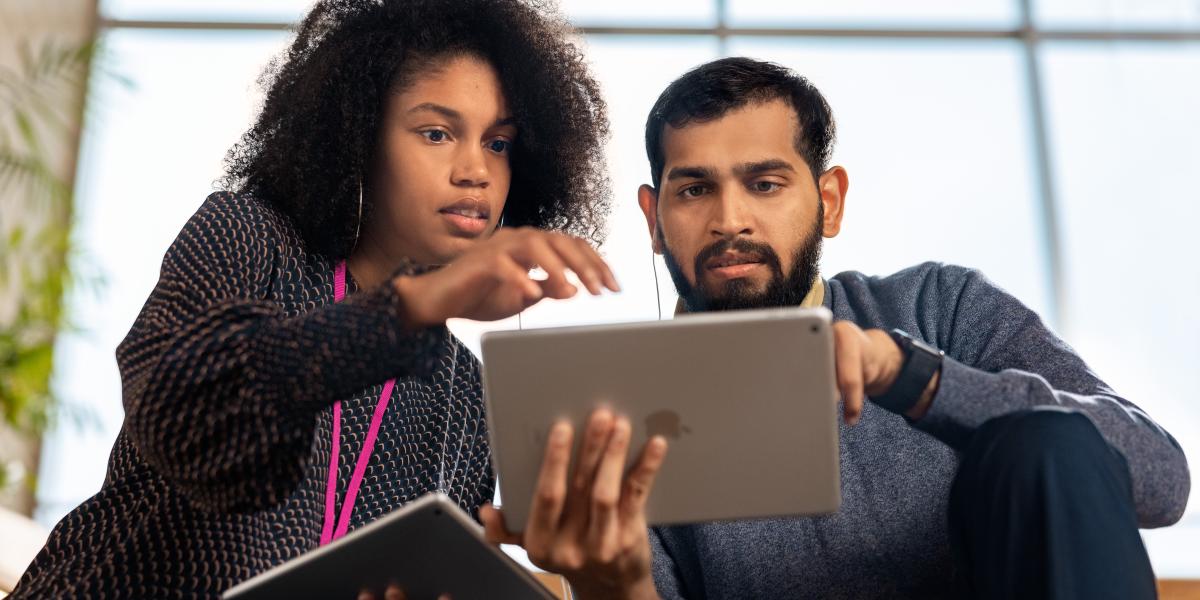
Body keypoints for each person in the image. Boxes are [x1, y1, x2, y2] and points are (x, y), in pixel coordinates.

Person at [483, 57, 1190, 600]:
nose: (730, 220)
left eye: (765, 184)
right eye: (695, 189)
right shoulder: (616, 408)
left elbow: (1161, 481)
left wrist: (912, 377)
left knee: (1045, 437)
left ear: (828, 202)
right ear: (654, 220)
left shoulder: (940, 307)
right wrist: (612, 583)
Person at [11, 0, 617, 597]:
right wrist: (410, 307)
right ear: (357, 139)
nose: (475, 171)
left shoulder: (466, 396)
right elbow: (176, 417)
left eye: (499, 144)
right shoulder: (247, 237)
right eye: (437, 133)